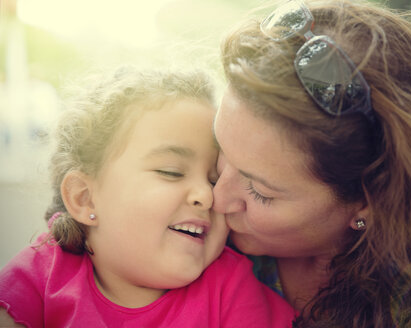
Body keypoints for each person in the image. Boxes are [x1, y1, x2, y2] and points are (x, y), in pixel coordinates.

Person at [212, 0, 411, 327]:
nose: (216, 198)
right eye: (218, 147)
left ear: (368, 201)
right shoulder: (186, 227)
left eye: (259, 191)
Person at [0, 67, 296, 327]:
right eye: (171, 172)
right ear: (84, 198)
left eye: (213, 179)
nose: (207, 196)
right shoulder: (39, 277)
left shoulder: (231, 287)